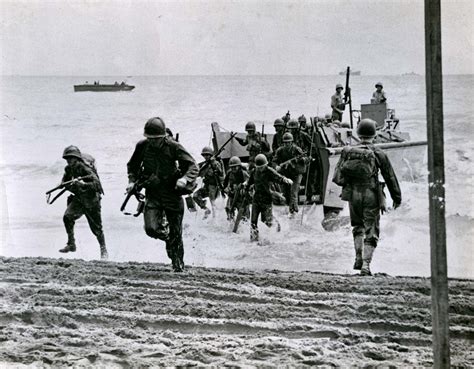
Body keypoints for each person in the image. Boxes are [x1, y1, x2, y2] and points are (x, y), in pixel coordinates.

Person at [127, 117, 198, 272]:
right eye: (149, 139)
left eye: (156, 139)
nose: (152, 142)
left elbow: (192, 165)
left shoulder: (174, 146)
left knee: (176, 232)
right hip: (153, 192)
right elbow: (132, 166)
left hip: (172, 193)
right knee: (151, 228)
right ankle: (167, 239)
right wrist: (132, 182)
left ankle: (178, 265)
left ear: (163, 137)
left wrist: (185, 179)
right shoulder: (142, 146)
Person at [333, 118, 401, 276]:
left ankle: (358, 257)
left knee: (357, 227)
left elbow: (337, 176)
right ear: (374, 134)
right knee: (371, 230)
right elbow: (390, 177)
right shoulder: (378, 152)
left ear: (358, 134)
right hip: (371, 194)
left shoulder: (348, 151)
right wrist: (397, 198)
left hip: (352, 194)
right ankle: (366, 265)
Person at [59, 145, 108, 260]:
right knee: (67, 217)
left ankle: (104, 250)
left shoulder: (85, 168)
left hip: (92, 201)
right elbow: (65, 182)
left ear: (76, 158)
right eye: (67, 159)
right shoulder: (68, 169)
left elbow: (97, 185)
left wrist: (82, 184)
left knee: (97, 229)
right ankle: (71, 244)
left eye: (71, 158)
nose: (69, 161)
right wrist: (65, 184)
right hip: (79, 200)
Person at [247, 154, 293, 241]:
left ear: (265, 165)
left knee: (266, 221)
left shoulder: (269, 171)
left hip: (266, 200)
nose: (260, 169)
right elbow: (250, 181)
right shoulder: (254, 171)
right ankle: (254, 239)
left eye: (262, 167)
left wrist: (285, 180)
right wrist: (246, 185)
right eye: (259, 167)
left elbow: (278, 177)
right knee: (253, 221)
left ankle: (277, 225)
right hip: (256, 199)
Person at [273, 133, 307, 216]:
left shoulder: (297, 149)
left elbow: (306, 159)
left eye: (289, 142)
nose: (287, 144)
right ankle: (288, 209)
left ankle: (294, 211)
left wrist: (300, 159)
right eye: (285, 142)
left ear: (292, 142)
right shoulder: (280, 150)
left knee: (293, 193)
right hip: (285, 174)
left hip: (296, 174)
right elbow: (274, 161)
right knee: (285, 193)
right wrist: (277, 166)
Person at [193, 146, 224, 219]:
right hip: (206, 187)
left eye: (207, 155)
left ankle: (215, 220)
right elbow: (199, 173)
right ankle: (206, 209)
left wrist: (213, 163)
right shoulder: (205, 164)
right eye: (204, 155)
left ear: (211, 155)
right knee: (196, 196)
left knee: (213, 204)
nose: (206, 157)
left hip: (214, 187)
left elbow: (220, 172)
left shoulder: (216, 163)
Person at [223, 156, 249, 221]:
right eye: (231, 167)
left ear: (239, 166)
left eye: (235, 167)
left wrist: (244, 186)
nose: (233, 169)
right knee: (228, 208)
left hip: (241, 196)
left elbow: (249, 182)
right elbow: (225, 184)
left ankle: (244, 225)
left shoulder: (243, 173)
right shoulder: (229, 173)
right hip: (232, 194)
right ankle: (231, 221)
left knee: (244, 215)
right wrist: (226, 189)